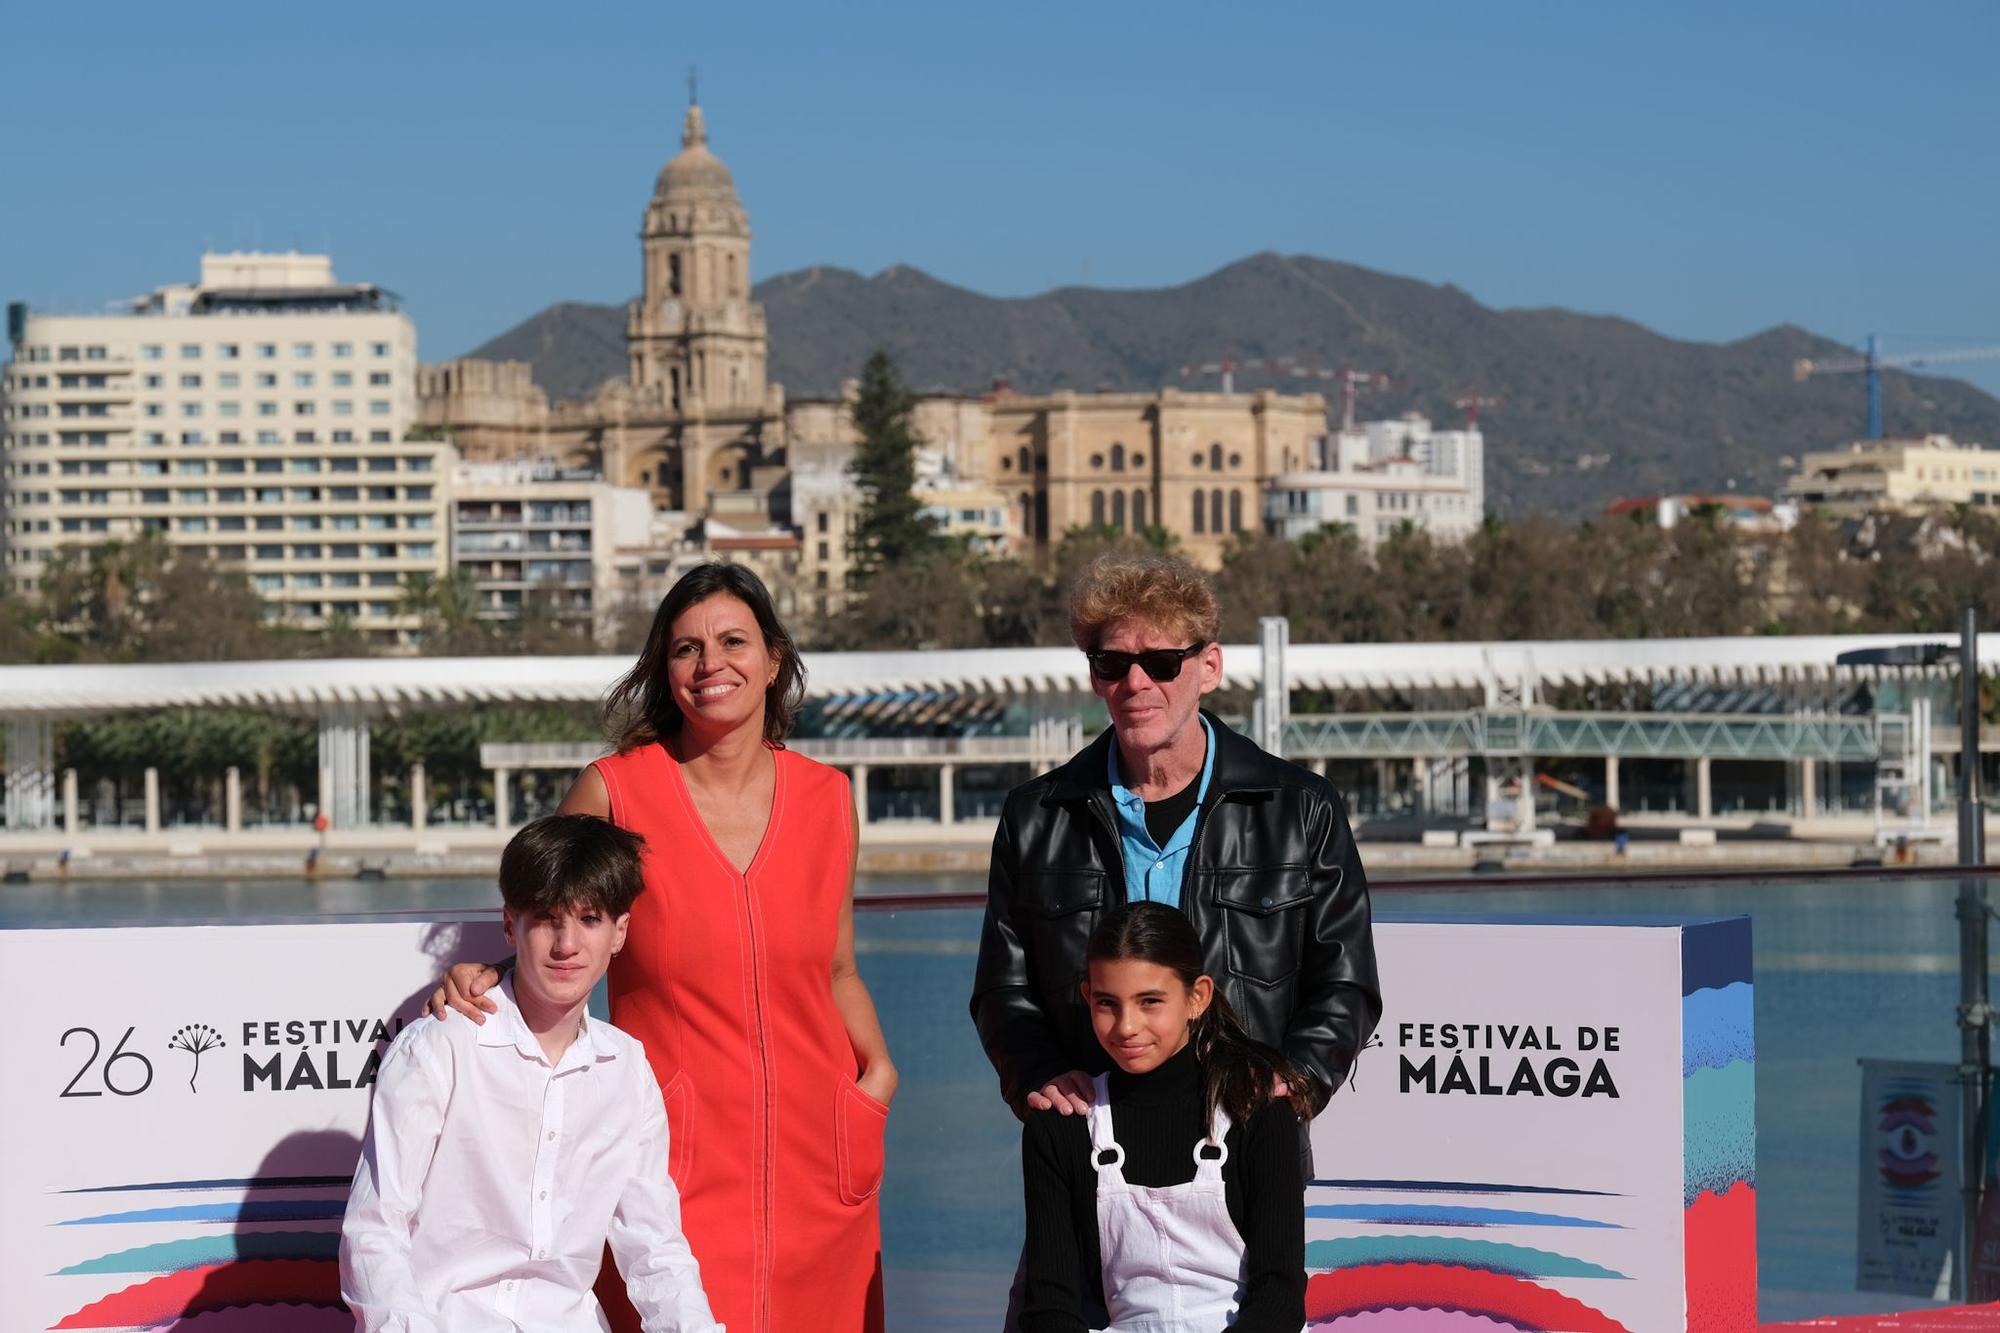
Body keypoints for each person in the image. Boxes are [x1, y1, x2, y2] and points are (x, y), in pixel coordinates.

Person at [429, 564, 895, 1333]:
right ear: (663, 668)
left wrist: (874, 1077)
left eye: (733, 641)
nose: (711, 664)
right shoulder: (615, 791)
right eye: (686, 648)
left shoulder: (828, 797)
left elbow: (839, 965)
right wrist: (493, 972)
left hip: (825, 1152)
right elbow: (555, 919)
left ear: (775, 658)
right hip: (667, 1156)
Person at [972, 550, 1381, 1123]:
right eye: (1112, 663)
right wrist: (1038, 1074)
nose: (1136, 683)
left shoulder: (1302, 809)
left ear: (1209, 668)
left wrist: (1296, 1078)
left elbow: (1346, 981)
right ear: (1094, 675)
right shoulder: (1035, 817)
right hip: (1089, 1140)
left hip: (1245, 1137)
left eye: (1162, 662)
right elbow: (1002, 990)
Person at [341, 814, 723, 1333]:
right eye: (546, 919)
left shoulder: (627, 1069)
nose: (566, 945)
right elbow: (375, 1231)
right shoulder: (441, 1046)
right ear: (509, 924)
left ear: (620, 933)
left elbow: (654, 1247)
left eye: (589, 919)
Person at [1020, 903, 1306, 1333]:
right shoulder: (1061, 1125)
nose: (1126, 1026)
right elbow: (1049, 1308)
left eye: (1149, 1001)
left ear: (1198, 997)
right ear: (1087, 997)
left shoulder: (1258, 1111)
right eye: (1106, 1003)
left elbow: (1280, 1296)